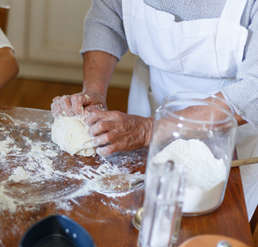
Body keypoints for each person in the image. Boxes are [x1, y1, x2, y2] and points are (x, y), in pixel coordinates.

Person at [51, 0, 258, 220]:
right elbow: (106, 18)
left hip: (231, 138)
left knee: (207, 231)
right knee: (140, 218)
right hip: (147, 104)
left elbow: (253, 89)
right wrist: (93, 93)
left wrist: (149, 130)